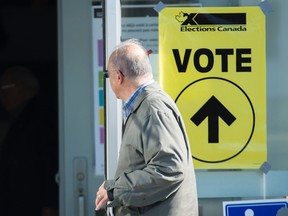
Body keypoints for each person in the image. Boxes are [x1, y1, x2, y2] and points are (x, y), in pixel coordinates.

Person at [95, 39, 198, 215]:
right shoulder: (145, 105)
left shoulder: (152, 108)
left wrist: (114, 189)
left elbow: (169, 169)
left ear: (118, 76)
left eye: (107, 74)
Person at [0, 66, 58, 216]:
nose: (2, 94)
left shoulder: (41, 118)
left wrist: (49, 205)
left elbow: (49, 162)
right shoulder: (21, 118)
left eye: (4, 88)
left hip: (33, 205)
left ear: (20, 87)